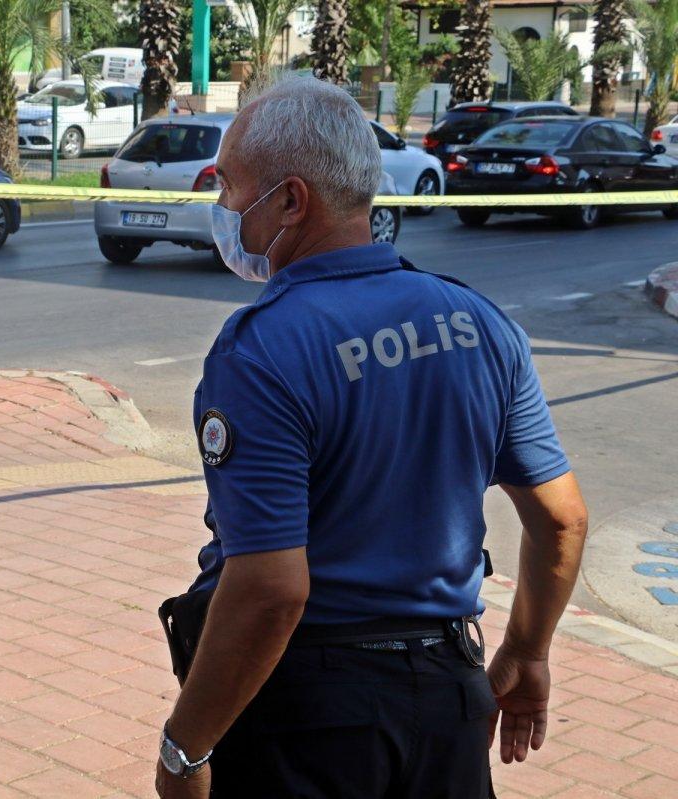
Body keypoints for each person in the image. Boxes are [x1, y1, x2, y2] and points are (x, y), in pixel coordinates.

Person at [154, 76, 588, 798]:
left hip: (312, 716)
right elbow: (562, 515)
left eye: (229, 188)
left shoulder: (260, 353)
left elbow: (269, 589)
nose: (222, 209)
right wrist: (528, 649)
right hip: (448, 699)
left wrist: (185, 749)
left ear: (291, 201)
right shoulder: (478, 321)